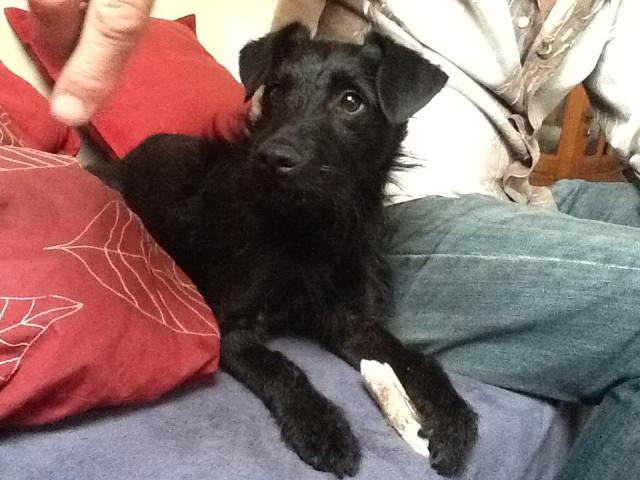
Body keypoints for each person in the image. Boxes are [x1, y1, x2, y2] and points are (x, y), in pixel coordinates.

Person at [38, 1, 640, 479]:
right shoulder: (247, 210)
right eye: (281, 93)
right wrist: (299, 399)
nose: (289, 127)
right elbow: (233, 329)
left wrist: (437, 392)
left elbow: (353, 324)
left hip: (514, 187)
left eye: (348, 101)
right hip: (435, 199)